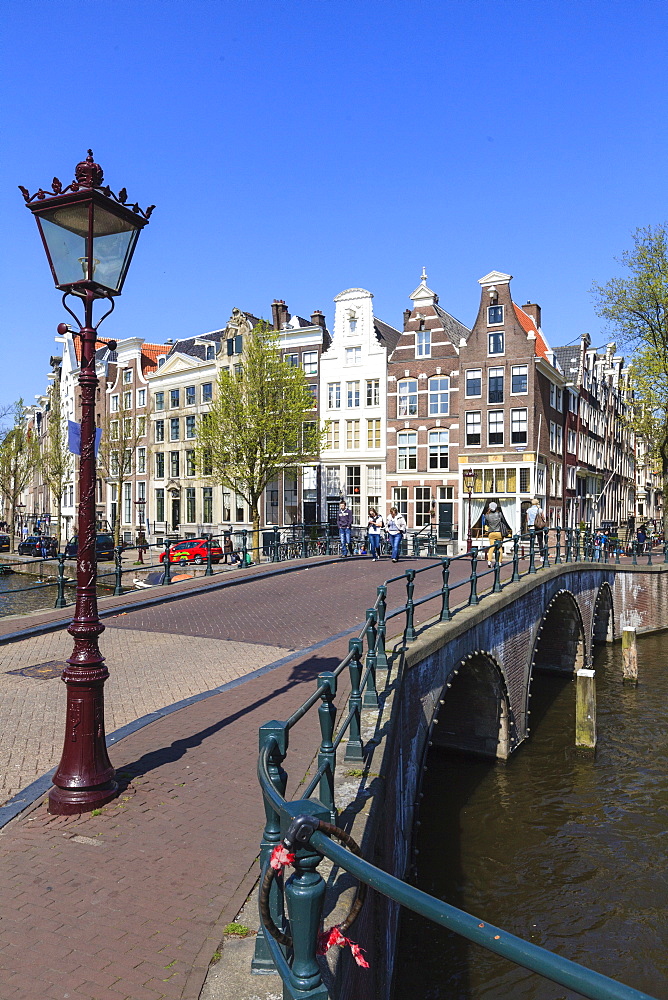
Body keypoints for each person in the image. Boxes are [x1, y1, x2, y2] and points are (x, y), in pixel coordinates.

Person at [483, 502, 509, 567]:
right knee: (499, 547)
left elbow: (487, 524)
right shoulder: (499, 514)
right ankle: (499, 562)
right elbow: (503, 522)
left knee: (491, 547)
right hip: (499, 532)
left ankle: (489, 561)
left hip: (491, 533)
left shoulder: (487, 515)